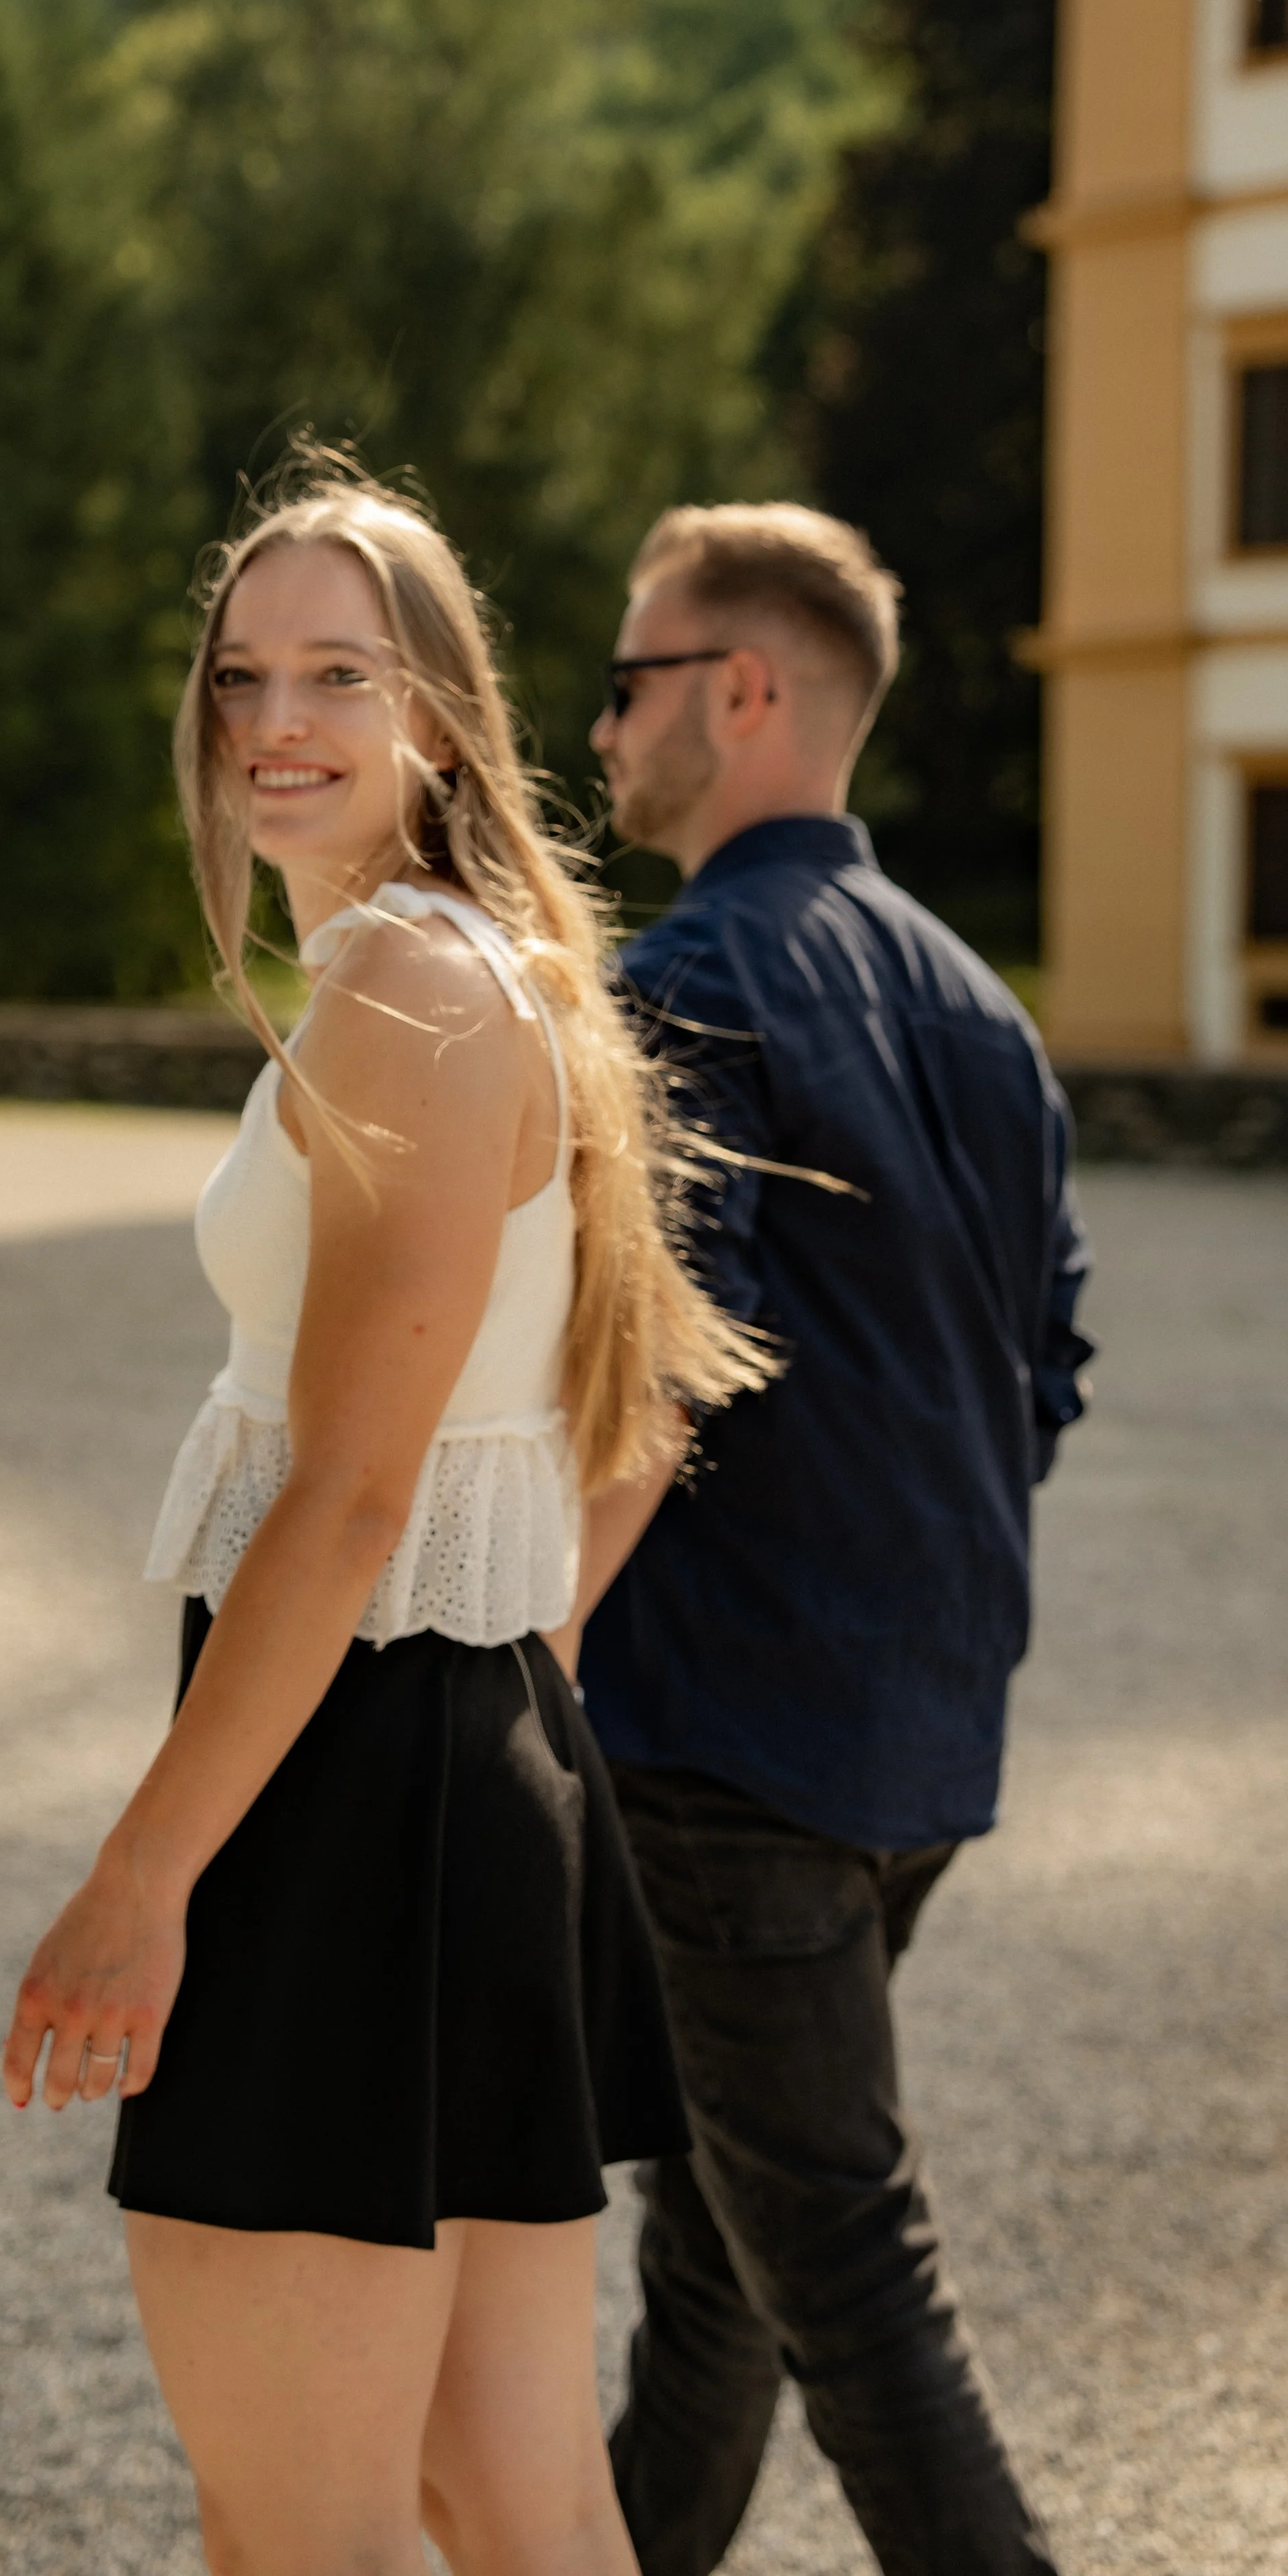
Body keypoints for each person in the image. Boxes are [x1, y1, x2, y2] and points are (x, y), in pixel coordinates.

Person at [1, 477, 770, 2576]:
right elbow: (623, 1417)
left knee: (297, 2529)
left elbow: (348, 1498)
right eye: (240, 673)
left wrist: (141, 1872)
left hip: (350, 1792)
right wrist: (509, 1703)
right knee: (507, 2501)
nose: (274, 717)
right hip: (463, 1763)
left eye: (338, 673)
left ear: (442, 709)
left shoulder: (415, 993)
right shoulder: (487, 972)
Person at [574, 502, 1094, 2576]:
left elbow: (652, 1375)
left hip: (732, 1745)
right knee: (728, 2244)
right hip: (922, 1728)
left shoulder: (685, 976)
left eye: (626, 682)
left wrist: (506, 1667)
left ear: (745, 690)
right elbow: (1046, 1363)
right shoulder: (985, 1004)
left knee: (844, 2270)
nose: (597, 731)